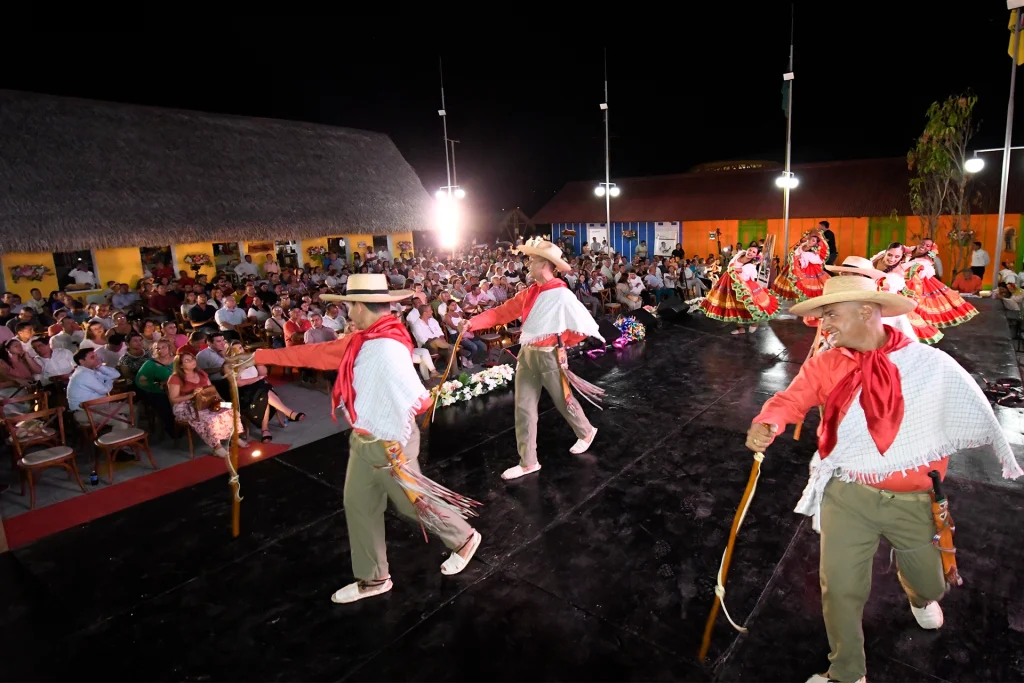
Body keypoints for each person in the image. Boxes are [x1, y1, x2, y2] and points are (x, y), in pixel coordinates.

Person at [746, 275, 1022, 683]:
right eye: (823, 316)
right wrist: (769, 421)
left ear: (864, 311)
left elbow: (968, 410)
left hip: (913, 503)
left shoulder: (927, 365)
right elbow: (791, 399)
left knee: (930, 584)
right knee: (839, 588)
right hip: (848, 493)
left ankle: (919, 594)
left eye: (832, 314)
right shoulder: (826, 364)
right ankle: (846, 672)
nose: (825, 325)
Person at [247, 273, 482, 603]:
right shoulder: (367, 339)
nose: (347, 311)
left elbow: (419, 399)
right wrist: (258, 357)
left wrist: (388, 422)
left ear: (359, 306)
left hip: (387, 442)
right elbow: (316, 354)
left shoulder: (381, 347)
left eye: (348, 305)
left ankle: (464, 538)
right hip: (366, 439)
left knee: (410, 503)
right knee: (358, 504)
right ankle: (374, 579)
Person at [464, 237, 603, 481]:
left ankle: (586, 431)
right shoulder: (530, 292)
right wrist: (473, 323)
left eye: (532, 260)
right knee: (524, 408)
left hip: (549, 356)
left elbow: (582, 325)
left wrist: (562, 342)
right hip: (527, 354)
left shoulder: (560, 294)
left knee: (563, 401)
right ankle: (528, 461)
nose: (528, 263)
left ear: (544, 264)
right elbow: (503, 312)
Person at [166, 352, 246, 458]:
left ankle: (234, 437)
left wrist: (221, 401)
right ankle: (217, 447)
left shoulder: (201, 373)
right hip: (186, 405)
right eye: (187, 360)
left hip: (208, 401)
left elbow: (211, 389)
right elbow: (174, 399)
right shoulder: (175, 378)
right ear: (180, 365)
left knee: (231, 409)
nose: (192, 361)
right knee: (209, 418)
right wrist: (191, 394)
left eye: (192, 359)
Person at [700, 246, 779, 335]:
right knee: (734, 306)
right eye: (750, 250)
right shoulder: (740, 254)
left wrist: (732, 269)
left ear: (755, 255)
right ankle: (740, 328)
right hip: (730, 282)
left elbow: (740, 271)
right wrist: (730, 269)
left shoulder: (751, 264)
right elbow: (730, 265)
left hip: (744, 285)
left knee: (750, 304)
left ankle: (755, 322)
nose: (750, 252)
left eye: (753, 252)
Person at [905, 239, 977, 329]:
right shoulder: (909, 252)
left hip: (916, 286)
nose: (923, 246)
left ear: (930, 249)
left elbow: (923, 273)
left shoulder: (925, 261)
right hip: (909, 284)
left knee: (916, 310)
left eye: (927, 246)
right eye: (922, 244)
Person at [771, 230, 831, 302]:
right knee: (793, 282)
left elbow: (815, 259)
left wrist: (804, 254)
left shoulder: (814, 251)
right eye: (811, 239)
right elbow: (796, 252)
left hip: (808, 268)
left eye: (813, 241)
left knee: (806, 284)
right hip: (797, 266)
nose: (811, 241)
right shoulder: (803, 245)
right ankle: (796, 297)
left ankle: (806, 299)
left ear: (816, 243)